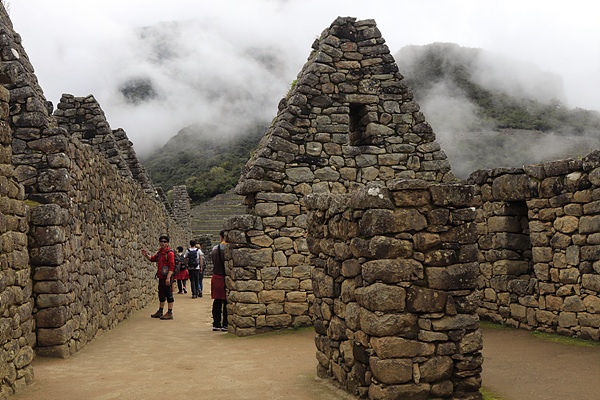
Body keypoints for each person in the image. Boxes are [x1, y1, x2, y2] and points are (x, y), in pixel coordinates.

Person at [141, 235, 175, 320]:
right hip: (161, 277)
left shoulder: (169, 253)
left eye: (164, 242)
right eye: (161, 241)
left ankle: (170, 312)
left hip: (167, 277)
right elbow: (152, 259)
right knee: (161, 294)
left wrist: (168, 277)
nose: (162, 243)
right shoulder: (160, 253)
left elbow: (172, 266)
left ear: (167, 243)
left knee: (169, 294)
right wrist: (146, 255)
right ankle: (160, 311)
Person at [210, 230, 227, 331]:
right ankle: (225, 324)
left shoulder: (215, 249)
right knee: (226, 302)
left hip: (217, 276)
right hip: (226, 277)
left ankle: (216, 323)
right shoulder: (230, 249)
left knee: (217, 301)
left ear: (221, 237)